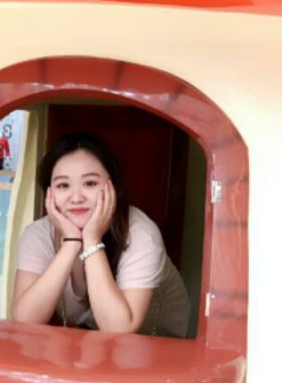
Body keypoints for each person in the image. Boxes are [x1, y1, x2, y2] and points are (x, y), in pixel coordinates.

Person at [11, 132, 190, 338]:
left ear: (113, 186)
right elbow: (25, 319)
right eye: (63, 185)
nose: (76, 198)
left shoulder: (141, 234)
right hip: (93, 343)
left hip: (157, 344)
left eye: (90, 183)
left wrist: (92, 240)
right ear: (49, 193)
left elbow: (119, 328)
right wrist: (71, 244)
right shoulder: (38, 234)